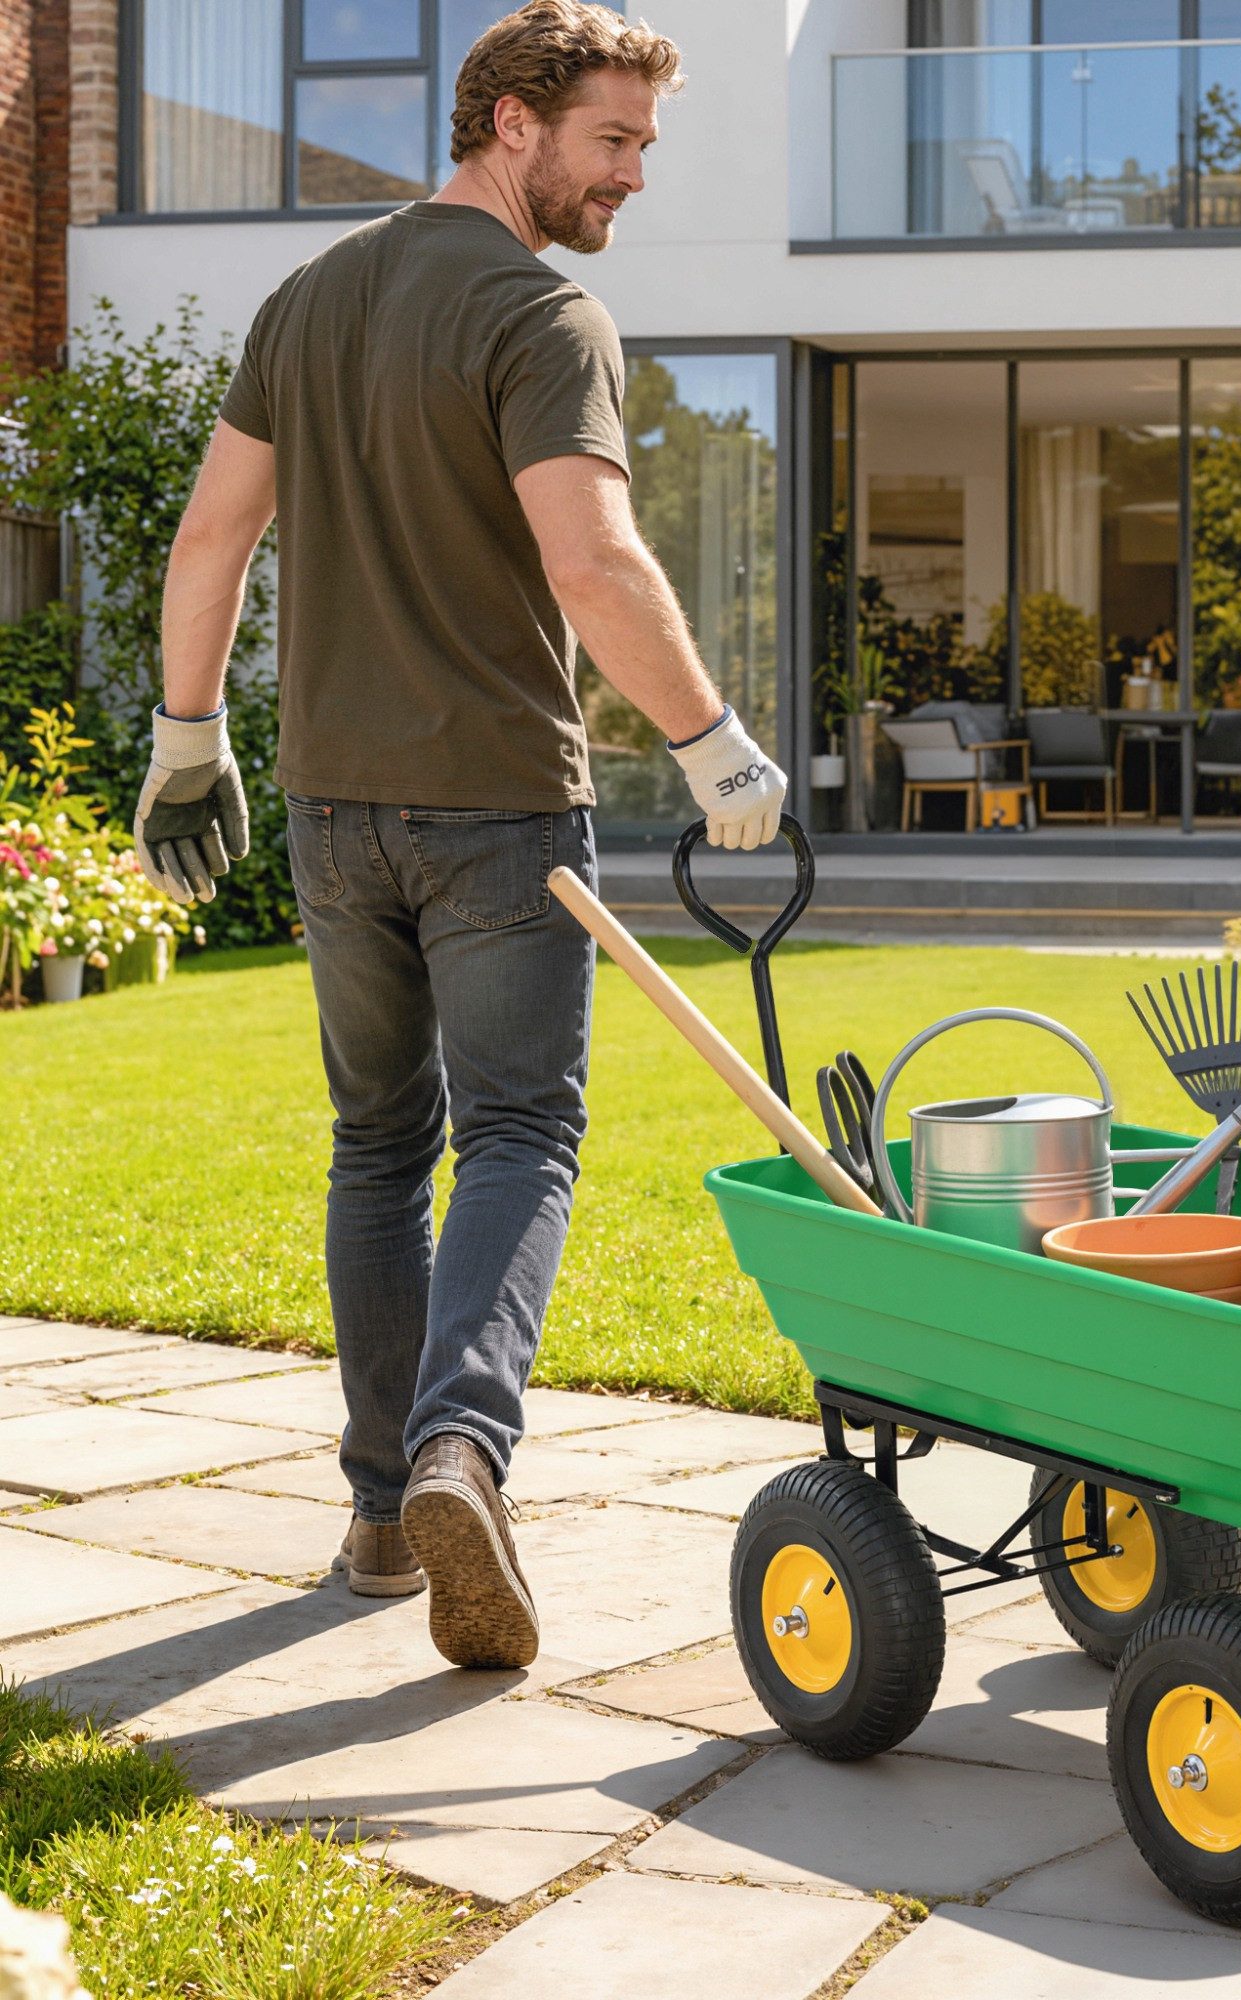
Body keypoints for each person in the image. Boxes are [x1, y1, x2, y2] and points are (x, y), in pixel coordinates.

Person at [138, 0, 785, 1672]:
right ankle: (458, 1455)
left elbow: (211, 539)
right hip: (500, 805)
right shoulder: (539, 308)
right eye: (613, 141)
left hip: (330, 810)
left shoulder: (310, 299)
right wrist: (714, 745)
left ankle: (377, 1512)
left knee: (376, 1144)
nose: (633, 177)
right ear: (512, 123)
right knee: (516, 1136)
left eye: (645, 145)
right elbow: (594, 566)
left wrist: (187, 741)